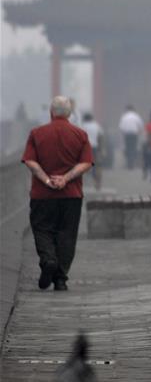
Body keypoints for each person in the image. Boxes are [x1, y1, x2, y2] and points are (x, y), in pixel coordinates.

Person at [21, 96, 93, 291]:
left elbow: (30, 161)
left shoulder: (36, 134)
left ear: (51, 112)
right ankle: (60, 279)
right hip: (71, 195)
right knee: (67, 235)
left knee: (42, 229)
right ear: (69, 113)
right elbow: (86, 163)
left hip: (42, 195)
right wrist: (66, 179)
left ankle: (48, 260)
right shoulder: (80, 135)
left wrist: (46, 179)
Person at [80, 113, 103, 190]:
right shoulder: (96, 125)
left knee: (83, 165)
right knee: (95, 165)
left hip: (85, 149)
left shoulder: (83, 126)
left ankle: (80, 184)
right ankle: (97, 184)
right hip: (94, 148)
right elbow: (100, 137)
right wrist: (101, 149)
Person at [118, 105, 143, 170]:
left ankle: (129, 163)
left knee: (128, 148)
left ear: (127, 109)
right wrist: (139, 133)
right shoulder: (136, 116)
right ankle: (132, 163)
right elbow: (140, 126)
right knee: (134, 148)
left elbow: (121, 128)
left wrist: (123, 135)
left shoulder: (124, 117)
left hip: (127, 135)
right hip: (134, 134)